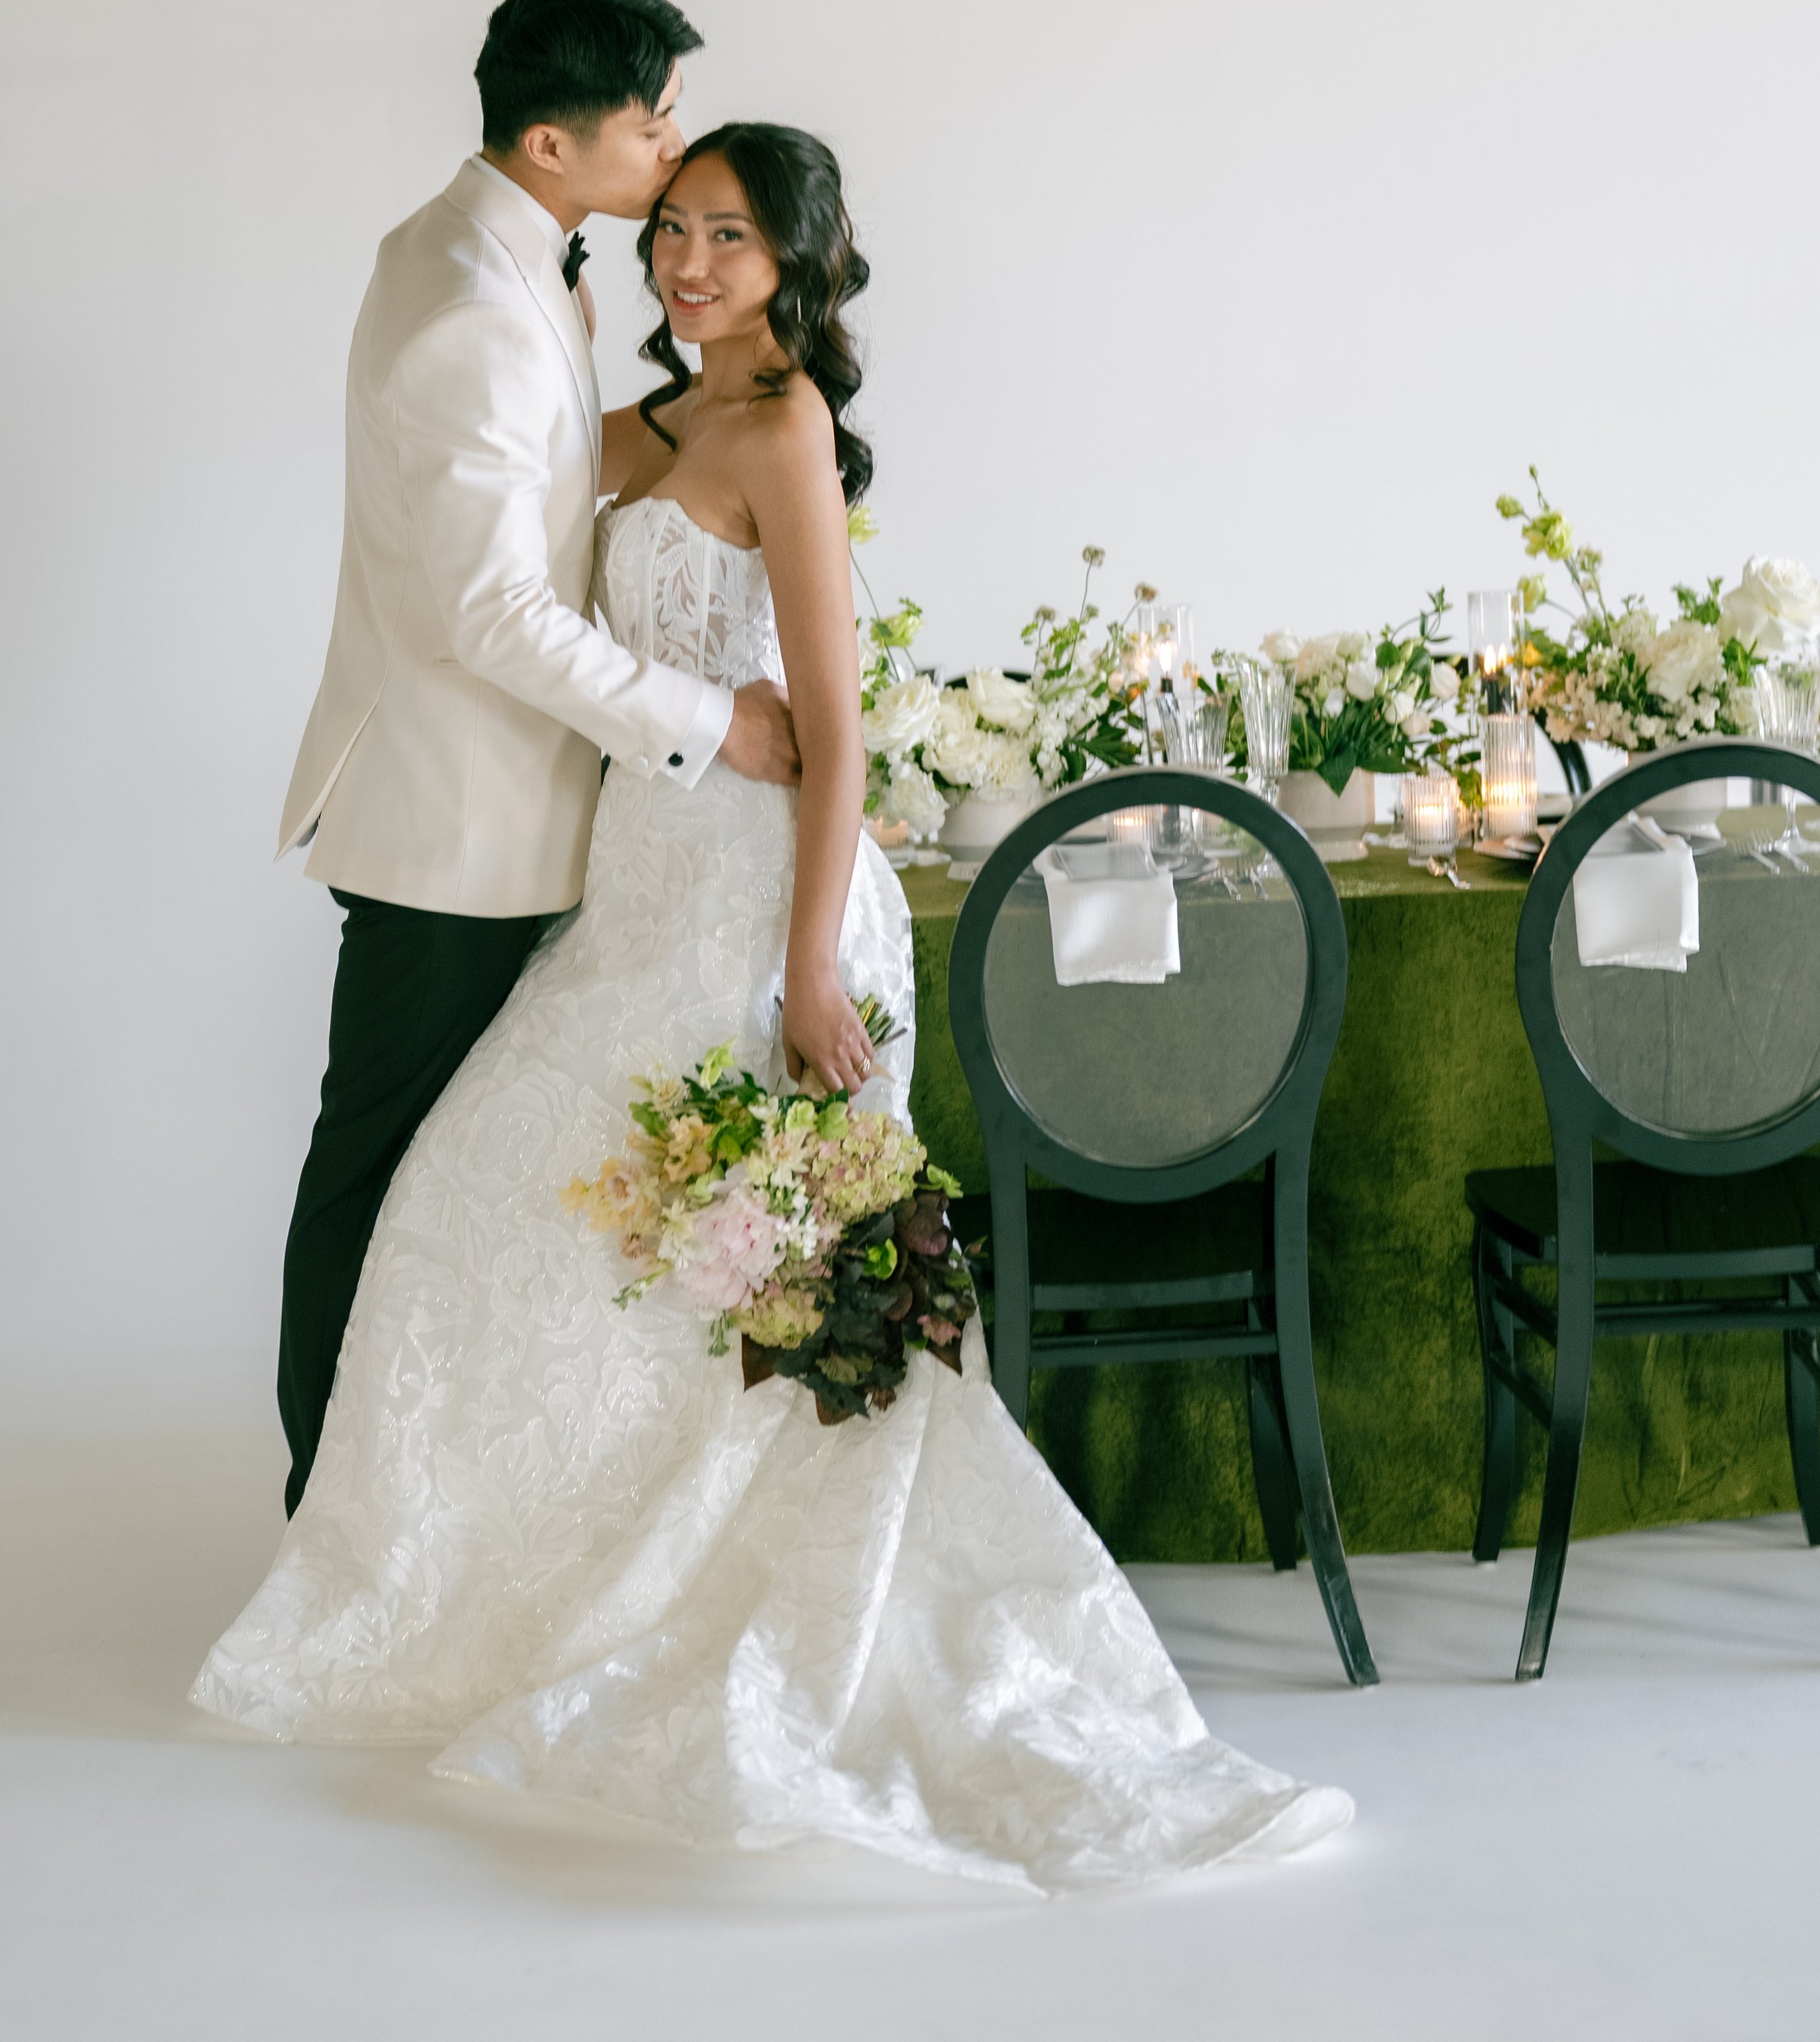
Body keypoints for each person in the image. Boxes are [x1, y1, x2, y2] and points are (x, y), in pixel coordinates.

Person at [196, 118, 1351, 1894]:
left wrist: (808, 966)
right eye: (669, 228)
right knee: (486, 1201)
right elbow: (490, 558)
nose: (684, 263)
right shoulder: (631, 423)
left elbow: (836, 731)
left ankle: (738, 1583)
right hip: (632, 879)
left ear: (796, 260)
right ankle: (507, 1572)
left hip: (756, 899)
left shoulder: (784, 427)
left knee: (746, 1257)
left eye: (725, 237)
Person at [273, 0, 800, 1517]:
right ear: (559, 146)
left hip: (528, 816)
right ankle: (327, 1510)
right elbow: (495, 614)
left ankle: (429, 1499)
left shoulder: (476, 247)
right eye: (654, 121)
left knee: (459, 1185)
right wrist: (716, 723)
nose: (675, 144)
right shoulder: (472, 312)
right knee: (376, 1181)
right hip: (460, 827)